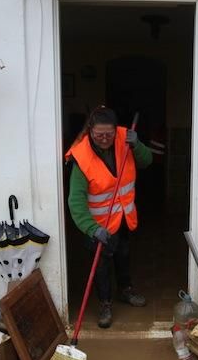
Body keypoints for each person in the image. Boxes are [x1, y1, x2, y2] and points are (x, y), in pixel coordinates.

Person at [65, 107, 153, 328]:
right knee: (101, 266)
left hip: (122, 218)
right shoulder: (81, 158)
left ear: (116, 130)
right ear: (90, 131)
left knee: (123, 256)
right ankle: (105, 303)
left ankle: (126, 290)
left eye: (109, 134)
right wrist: (91, 228)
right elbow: (75, 201)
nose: (104, 139)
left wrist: (138, 145)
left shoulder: (126, 139)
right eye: (98, 134)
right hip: (97, 225)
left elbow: (147, 161)